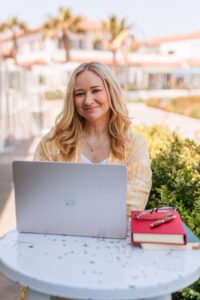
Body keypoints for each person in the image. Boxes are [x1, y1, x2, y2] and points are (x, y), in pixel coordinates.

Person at [20, 61, 152, 300]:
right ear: (72, 100)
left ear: (110, 91)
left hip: (115, 254)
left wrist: (71, 211)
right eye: (79, 94)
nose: (88, 100)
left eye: (95, 90)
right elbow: (39, 202)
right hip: (59, 251)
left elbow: (133, 205)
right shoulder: (52, 144)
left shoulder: (134, 145)